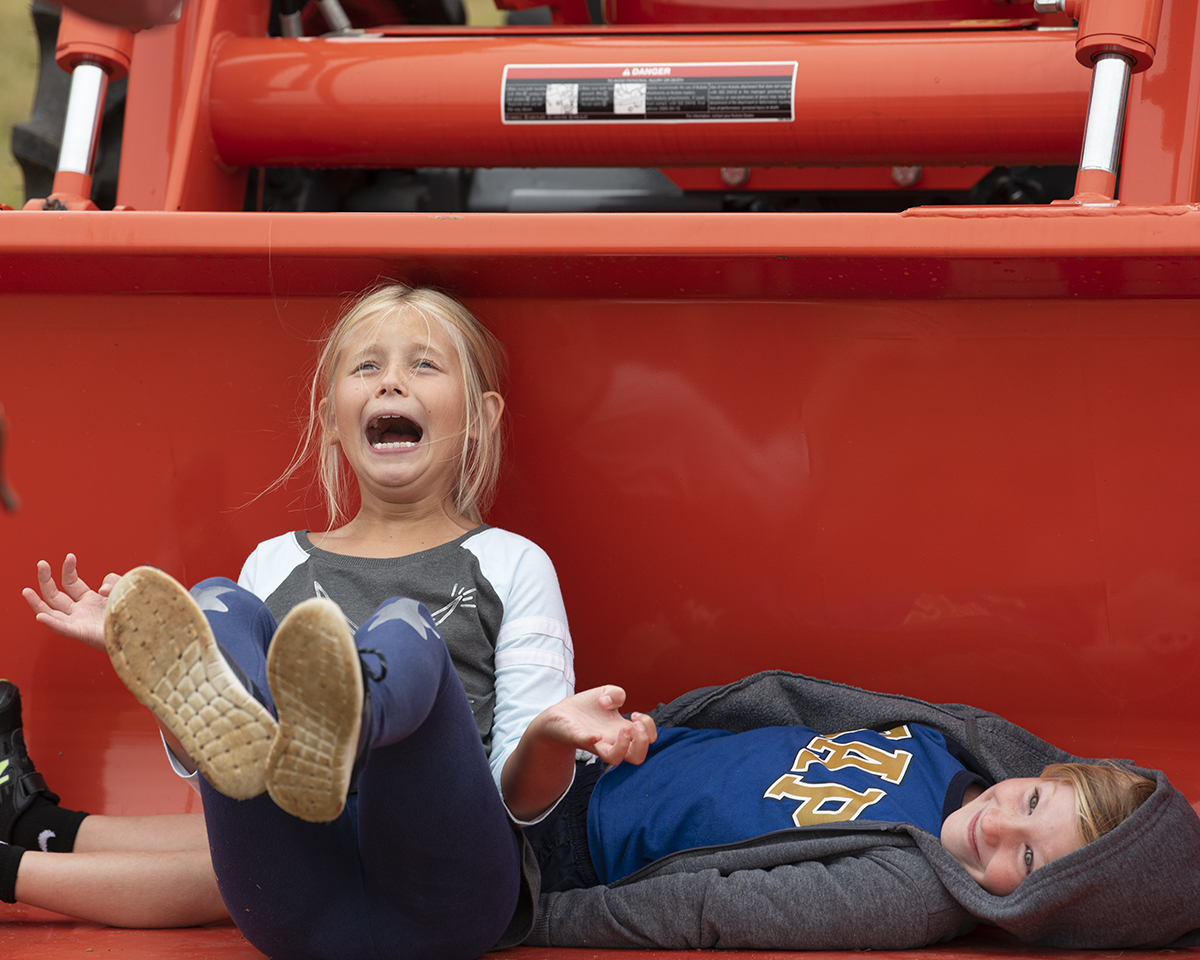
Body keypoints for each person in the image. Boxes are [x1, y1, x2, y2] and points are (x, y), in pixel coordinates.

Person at [15, 284, 655, 954]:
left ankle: (349, 721)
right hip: (289, 899)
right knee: (215, 602)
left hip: (448, 900)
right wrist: (149, 655)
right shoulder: (272, 564)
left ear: (480, 417)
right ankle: (304, 711)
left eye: (424, 365)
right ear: (329, 419)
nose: (391, 382)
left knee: (402, 624)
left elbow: (520, 802)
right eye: (367, 366)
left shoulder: (510, 562)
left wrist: (551, 736)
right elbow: (221, 767)